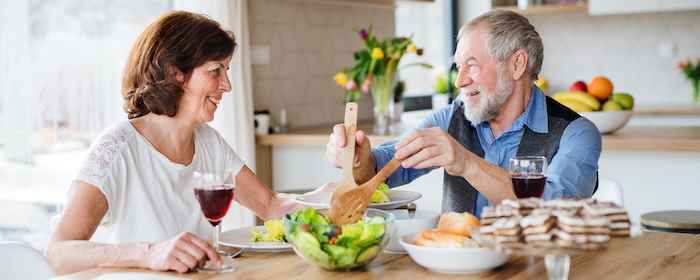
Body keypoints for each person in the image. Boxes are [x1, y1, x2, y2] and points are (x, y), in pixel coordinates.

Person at [45, 11, 334, 275]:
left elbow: (270, 206)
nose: (227, 85)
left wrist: (328, 200)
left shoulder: (208, 141)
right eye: (215, 71)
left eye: (227, 71)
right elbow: (58, 252)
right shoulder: (117, 147)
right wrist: (149, 253)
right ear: (175, 71)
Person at [325, 10, 601, 218]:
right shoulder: (451, 118)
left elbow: (559, 210)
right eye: (459, 67)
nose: (459, 82)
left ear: (517, 64)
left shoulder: (576, 133)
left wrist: (467, 162)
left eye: (472, 65)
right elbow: (389, 165)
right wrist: (361, 161)